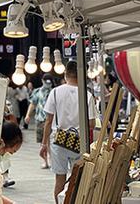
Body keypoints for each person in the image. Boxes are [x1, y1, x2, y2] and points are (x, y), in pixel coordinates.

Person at [41, 61, 97, 203]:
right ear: (81, 76)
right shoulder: (87, 95)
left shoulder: (54, 92)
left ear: (65, 74)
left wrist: (43, 145)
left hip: (58, 141)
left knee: (60, 179)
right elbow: (91, 124)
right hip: (79, 141)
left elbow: (48, 121)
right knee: (76, 179)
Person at [25, 73, 54, 169]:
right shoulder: (37, 92)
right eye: (46, 81)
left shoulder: (54, 92)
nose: (48, 84)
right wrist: (28, 115)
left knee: (50, 141)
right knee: (43, 142)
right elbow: (33, 104)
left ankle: (51, 160)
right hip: (40, 119)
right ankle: (45, 161)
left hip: (52, 121)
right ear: (42, 81)